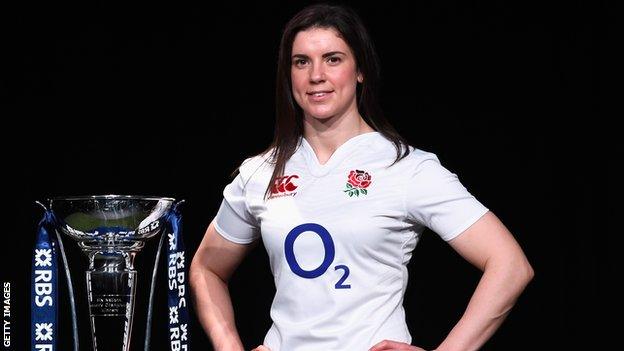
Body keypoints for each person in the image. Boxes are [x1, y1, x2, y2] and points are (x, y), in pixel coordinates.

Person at [189, 3, 534, 351]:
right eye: (301, 62)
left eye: (333, 59)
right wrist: (228, 345)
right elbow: (207, 268)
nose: (316, 75)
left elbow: (510, 265)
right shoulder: (261, 172)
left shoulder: (405, 167)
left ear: (360, 70)